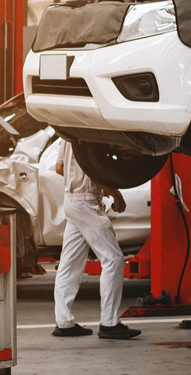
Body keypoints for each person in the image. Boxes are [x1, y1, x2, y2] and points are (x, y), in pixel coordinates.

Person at [51, 140, 141, 340]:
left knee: (70, 263)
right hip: (87, 203)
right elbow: (96, 172)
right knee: (113, 259)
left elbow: (59, 168)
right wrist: (116, 195)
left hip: (72, 202)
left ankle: (64, 323)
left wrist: (75, 178)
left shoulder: (66, 134)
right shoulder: (90, 133)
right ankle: (109, 323)